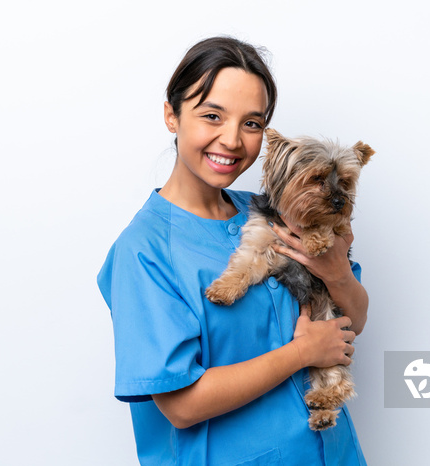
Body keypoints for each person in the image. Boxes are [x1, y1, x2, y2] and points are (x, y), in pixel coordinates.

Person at [97, 36, 369, 465]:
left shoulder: (275, 211)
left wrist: (337, 273)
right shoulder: (144, 250)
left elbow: (350, 322)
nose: (232, 140)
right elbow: (181, 406)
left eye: (252, 123)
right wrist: (302, 353)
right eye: (212, 116)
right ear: (172, 115)